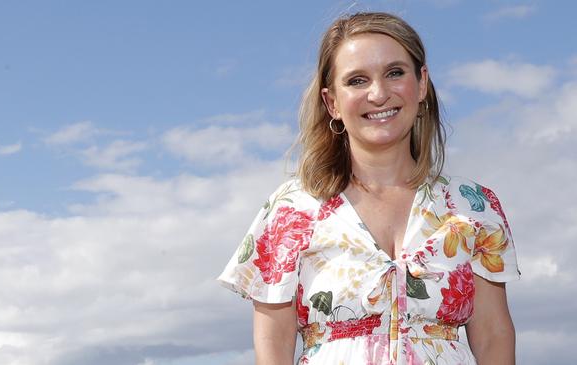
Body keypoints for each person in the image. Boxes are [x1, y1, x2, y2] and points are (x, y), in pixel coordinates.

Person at [218, 11, 520, 365]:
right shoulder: (291, 209)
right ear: (332, 102)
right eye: (357, 80)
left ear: (422, 83)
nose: (378, 94)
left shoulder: (474, 206)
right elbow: (273, 342)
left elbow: (493, 335)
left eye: (395, 73)